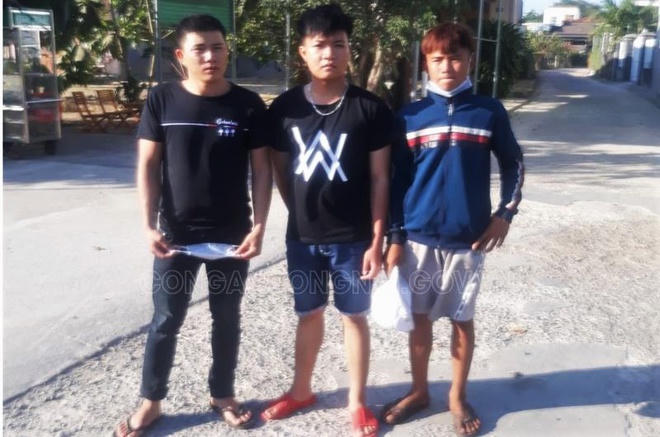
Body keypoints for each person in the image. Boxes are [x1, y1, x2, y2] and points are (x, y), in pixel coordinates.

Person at [113, 14, 272, 436]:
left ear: (227, 51)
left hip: (231, 240)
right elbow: (148, 165)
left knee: (227, 317)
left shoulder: (247, 105)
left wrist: (259, 225)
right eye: (200, 49)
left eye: (217, 47)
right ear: (181, 56)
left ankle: (223, 395)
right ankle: (151, 402)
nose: (210, 56)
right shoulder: (162, 100)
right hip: (176, 239)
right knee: (166, 320)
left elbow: (262, 170)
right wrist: (148, 225)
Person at [382, 22, 524, 436]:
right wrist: (395, 236)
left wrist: (505, 214)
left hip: (468, 240)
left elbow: (513, 163)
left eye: (456, 57)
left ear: (470, 60)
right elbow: (394, 181)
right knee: (420, 318)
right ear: (425, 63)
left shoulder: (488, 111)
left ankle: (457, 396)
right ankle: (419, 390)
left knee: (462, 319)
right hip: (418, 239)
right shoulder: (409, 116)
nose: (447, 66)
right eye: (437, 58)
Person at [260, 4, 394, 437]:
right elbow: (279, 168)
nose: (329, 53)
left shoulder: (370, 109)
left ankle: (357, 401)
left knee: (354, 316)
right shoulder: (284, 109)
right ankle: (301, 390)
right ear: (303, 51)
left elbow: (381, 178)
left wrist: (377, 239)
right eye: (320, 45)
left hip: (354, 239)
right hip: (302, 238)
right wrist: (298, 212)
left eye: (339, 44)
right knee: (309, 313)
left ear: (349, 50)